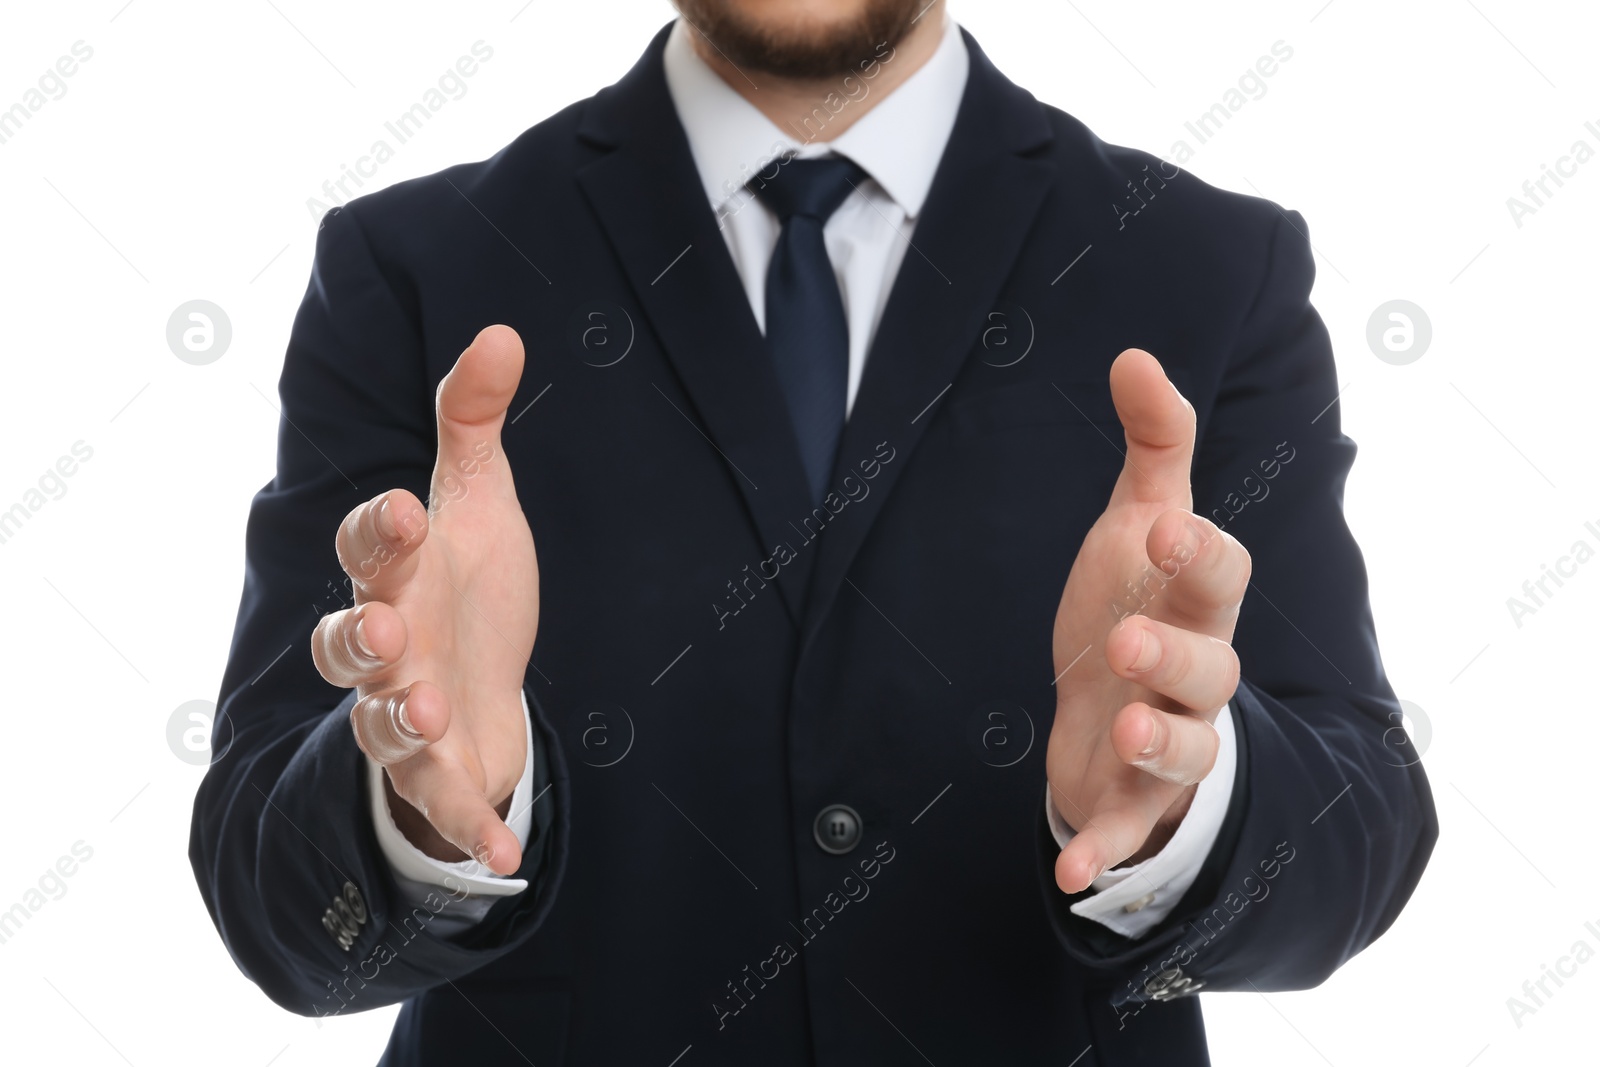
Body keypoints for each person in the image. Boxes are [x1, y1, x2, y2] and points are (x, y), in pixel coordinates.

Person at [189, 2, 1437, 1063]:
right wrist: (411, 806)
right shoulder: (414, 266)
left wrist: (1186, 796)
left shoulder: (1208, 263)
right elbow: (273, 893)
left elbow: (1360, 825)